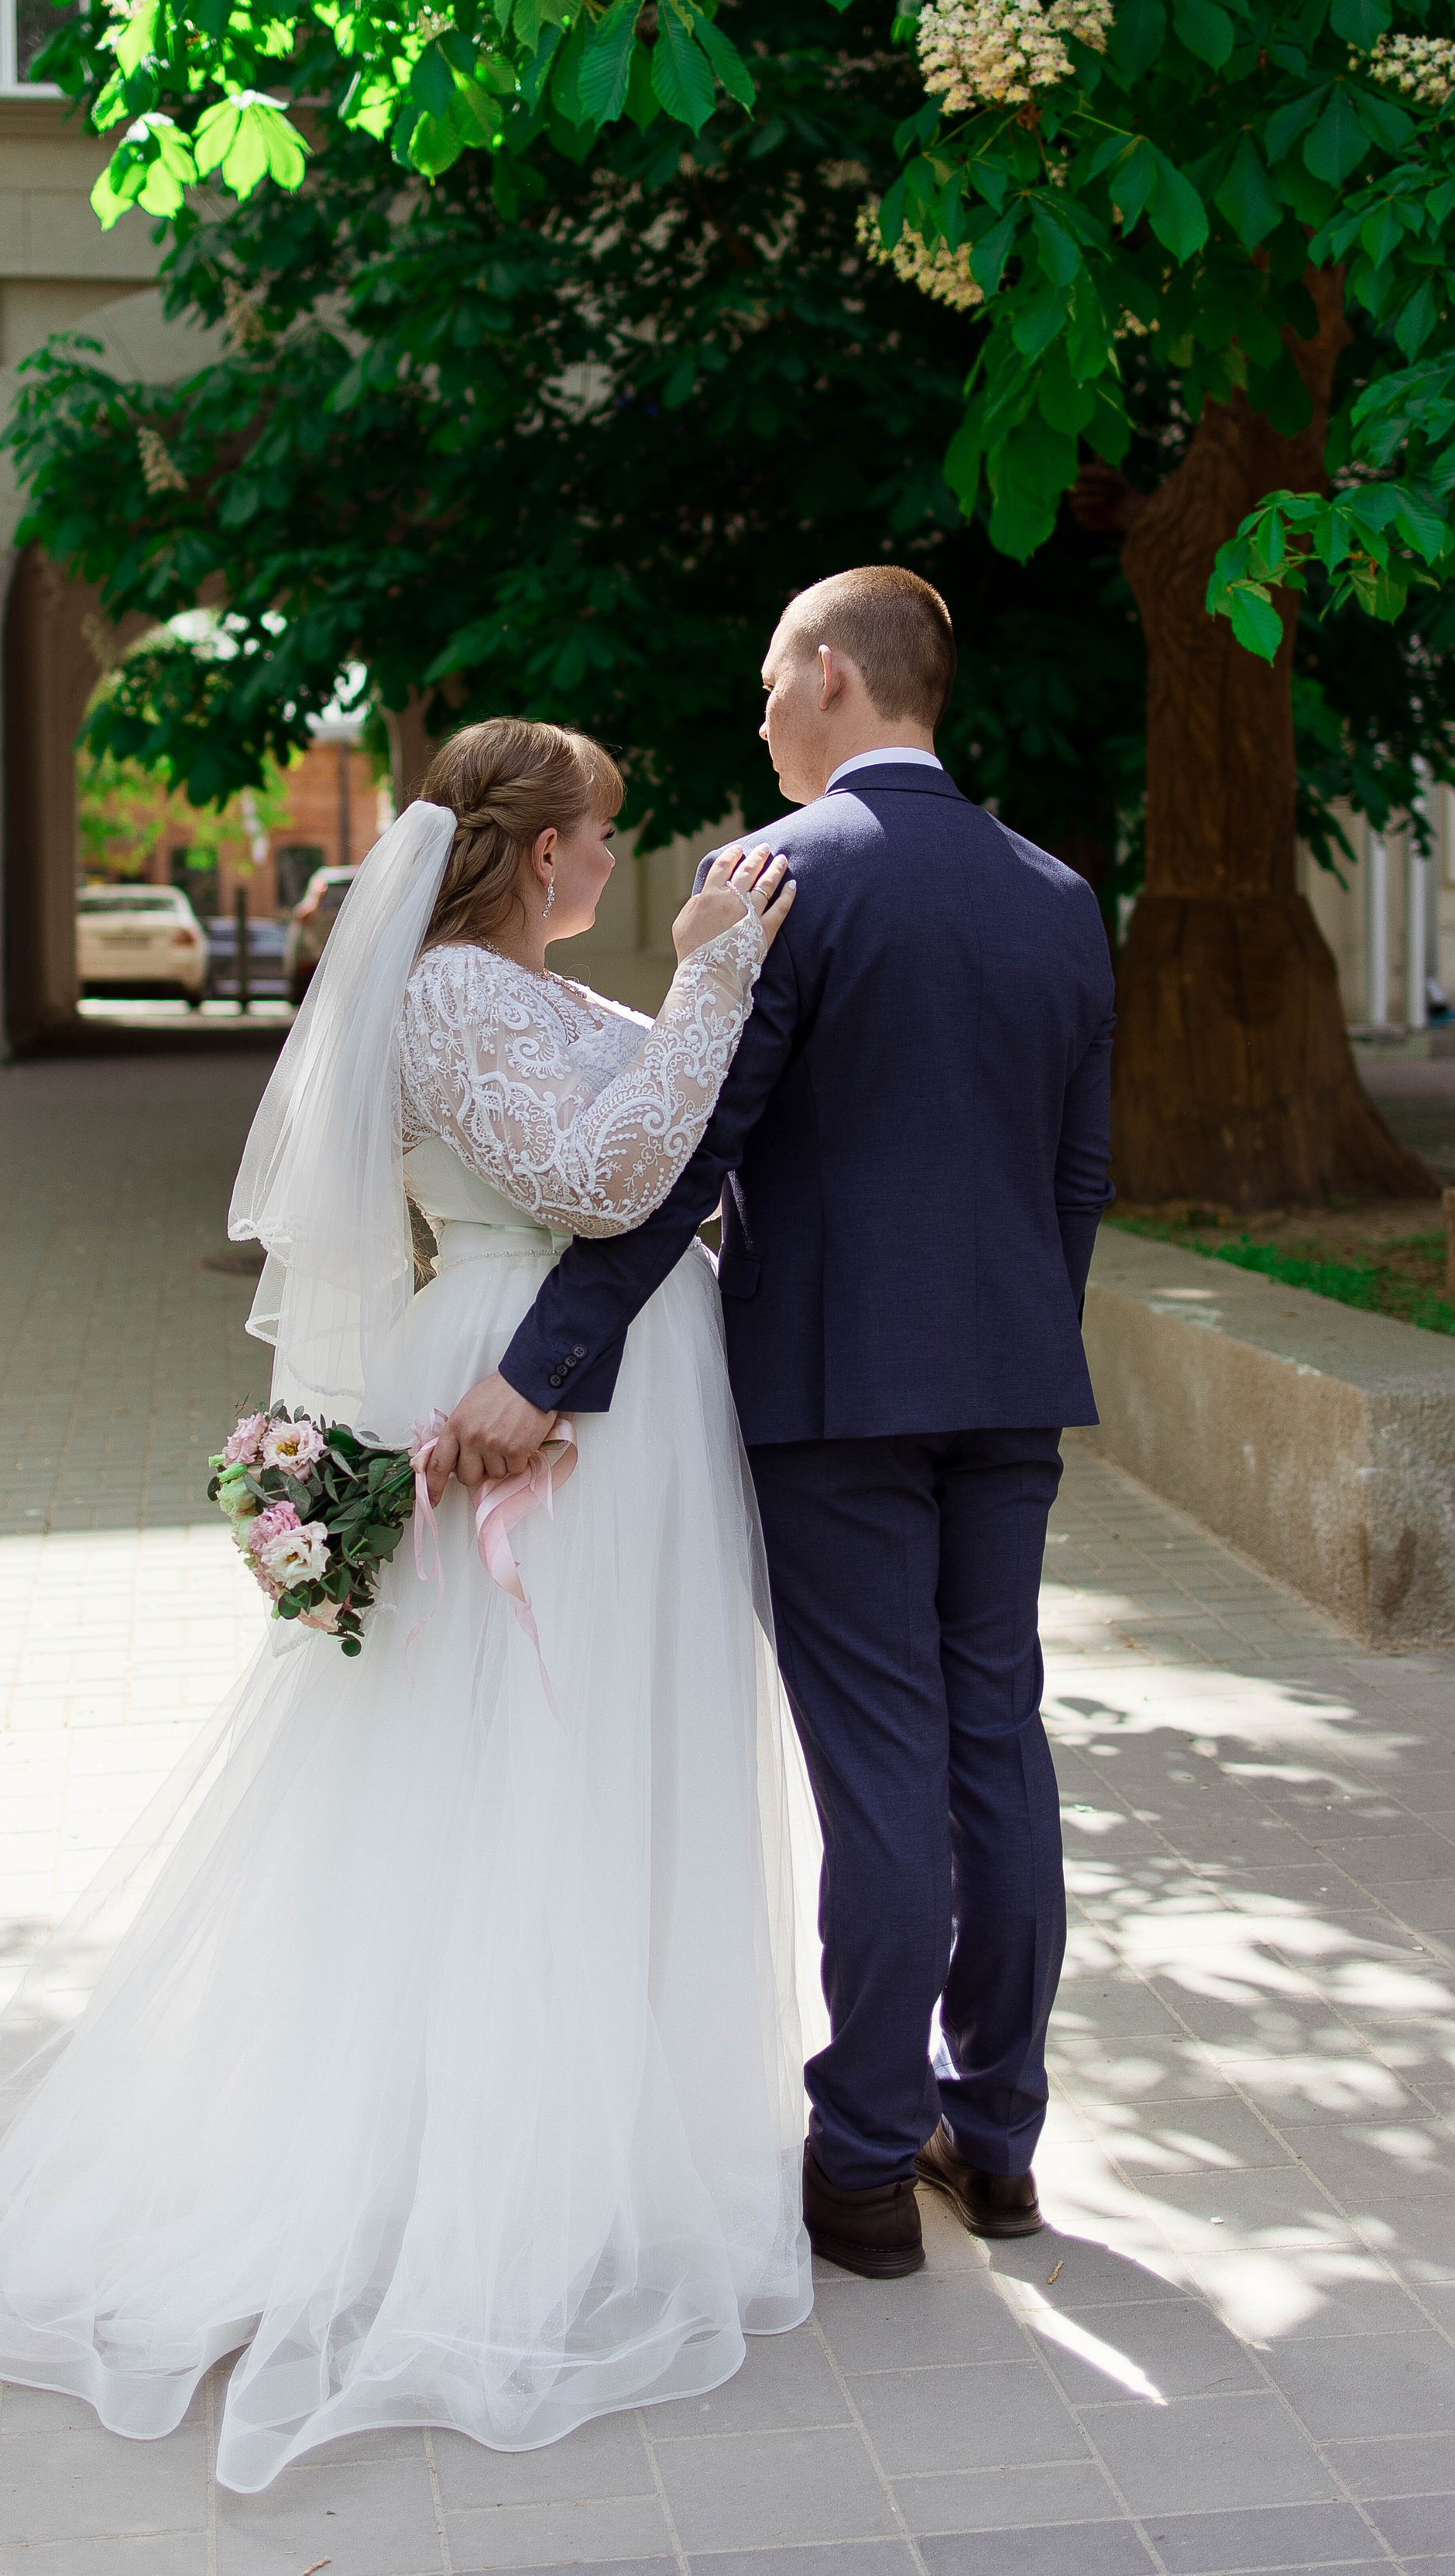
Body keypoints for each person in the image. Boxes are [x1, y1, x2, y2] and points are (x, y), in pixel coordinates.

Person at [0, 717, 821, 2492]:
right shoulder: (458, 996)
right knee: (511, 1765)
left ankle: (590, 2130)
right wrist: (699, 976)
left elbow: (671, 1132)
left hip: (622, 1396)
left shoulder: (535, 985)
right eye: (599, 830)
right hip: (538, 1403)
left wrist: (688, 999)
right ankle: (477, 2179)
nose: (614, 857)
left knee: (595, 1756)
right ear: (534, 848)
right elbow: (596, 1177)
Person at [430, 570, 1117, 2282]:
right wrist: (1023, 1332)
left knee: (879, 1757)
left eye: (761, 681)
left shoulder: (774, 875)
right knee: (992, 1738)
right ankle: (1004, 2134)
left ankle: (869, 2159)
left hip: (829, 1392)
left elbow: (683, 1157)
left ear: (827, 675)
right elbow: (1077, 1172)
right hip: (1009, 1385)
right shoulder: (1055, 892)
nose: (751, 714)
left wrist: (545, 1362)